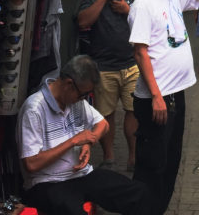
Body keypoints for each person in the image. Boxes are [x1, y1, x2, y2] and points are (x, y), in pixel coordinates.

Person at [128, 0, 199, 215]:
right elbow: (141, 53)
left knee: (170, 162)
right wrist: (156, 96)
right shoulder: (143, 4)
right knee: (152, 164)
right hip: (157, 97)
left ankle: (158, 209)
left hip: (176, 93)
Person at [17, 55, 150, 215]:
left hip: (82, 175)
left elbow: (102, 125)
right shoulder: (34, 109)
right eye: (82, 95)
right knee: (73, 210)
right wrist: (73, 141)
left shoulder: (76, 101)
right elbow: (31, 164)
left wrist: (88, 142)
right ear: (69, 85)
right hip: (47, 183)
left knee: (137, 193)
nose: (83, 99)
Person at [75, 0, 139, 170]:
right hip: (103, 67)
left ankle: (133, 156)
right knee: (106, 114)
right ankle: (109, 157)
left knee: (133, 111)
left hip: (131, 64)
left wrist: (128, 11)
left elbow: (151, 23)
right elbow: (83, 22)